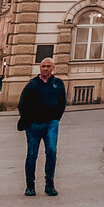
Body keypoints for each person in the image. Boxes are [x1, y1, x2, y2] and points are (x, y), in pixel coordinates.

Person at [16, 57, 66, 197]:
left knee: (51, 152)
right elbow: (22, 104)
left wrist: (56, 118)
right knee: (32, 154)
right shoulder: (32, 84)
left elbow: (62, 102)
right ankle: (30, 186)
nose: (45, 68)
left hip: (51, 123)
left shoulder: (57, 84)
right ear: (40, 67)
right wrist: (27, 120)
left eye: (48, 66)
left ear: (53, 68)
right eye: (43, 66)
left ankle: (49, 184)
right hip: (33, 125)